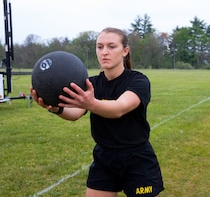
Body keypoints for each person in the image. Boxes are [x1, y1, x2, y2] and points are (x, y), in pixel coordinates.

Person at [31, 27, 164, 197]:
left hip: (137, 160)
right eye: (100, 47)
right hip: (104, 159)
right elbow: (75, 113)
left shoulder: (138, 81)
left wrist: (91, 103)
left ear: (125, 51)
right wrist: (57, 109)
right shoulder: (91, 84)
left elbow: (119, 108)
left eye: (111, 46)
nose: (104, 52)